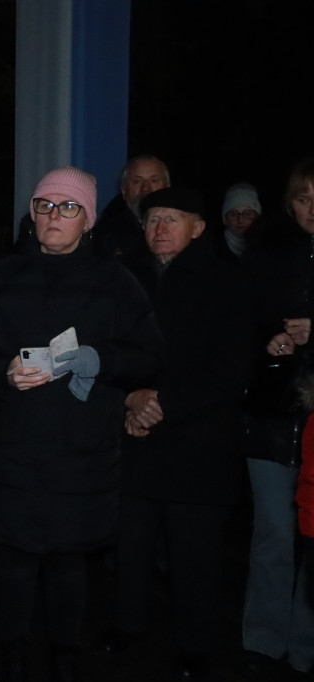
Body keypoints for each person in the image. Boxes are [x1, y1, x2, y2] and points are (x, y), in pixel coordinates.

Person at [0, 166, 162, 682]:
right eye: (43, 206)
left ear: (89, 220)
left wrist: (100, 359)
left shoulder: (115, 281)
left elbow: (147, 353)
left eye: (67, 207)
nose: (53, 217)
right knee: (14, 558)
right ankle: (11, 653)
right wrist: (2, 371)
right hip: (12, 444)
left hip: (84, 446)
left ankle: (64, 654)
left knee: (68, 559)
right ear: (30, 214)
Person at [102, 187, 253, 680]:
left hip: (197, 442)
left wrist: (160, 405)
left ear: (199, 226)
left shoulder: (227, 281)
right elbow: (109, 348)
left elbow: (230, 368)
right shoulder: (126, 279)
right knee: (132, 544)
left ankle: (196, 646)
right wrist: (129, 399)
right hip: (137, 434)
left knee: (195, 555)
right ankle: (126, 627)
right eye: (152, 220)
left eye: (172, 218)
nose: (159, 228)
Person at [238, 158, 314, 678]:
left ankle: (306, 647)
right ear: (291, 202)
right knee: (273, 534)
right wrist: (268, 340)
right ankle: (264, 643)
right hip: (270, 411)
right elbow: (236, 325)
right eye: (306, 198)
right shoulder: (264, 255)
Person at [92, 154, 171, 265]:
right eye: (137, 181)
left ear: (167, 187)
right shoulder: (105, 237)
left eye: (153, 181)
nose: (146, 188)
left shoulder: (184, 229)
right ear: (124, 191)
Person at [217, 182, 264, 259]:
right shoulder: (212, 247)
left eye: (248, 214)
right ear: (225, 219)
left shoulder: (268, 246)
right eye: (233, 214)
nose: (240, 220)